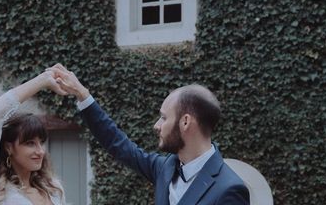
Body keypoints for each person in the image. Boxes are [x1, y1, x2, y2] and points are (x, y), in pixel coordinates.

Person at [49, 64, 250, 205]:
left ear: (186, 122)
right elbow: (119, 145)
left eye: (163, 118)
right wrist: (82, 95)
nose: (156, 125)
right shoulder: (165, 167)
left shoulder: (229, 189)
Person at [0, 70, 67, 205]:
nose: (40, 151)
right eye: (30, 143)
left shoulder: (53, 189)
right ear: (9, 147)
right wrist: (42, 80)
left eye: (41, 142)